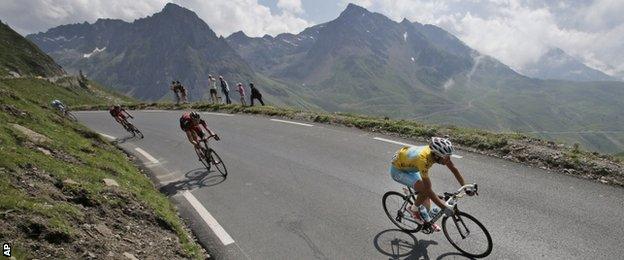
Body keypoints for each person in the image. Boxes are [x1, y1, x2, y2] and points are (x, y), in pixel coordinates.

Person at [389, 137, 468, 231]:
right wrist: (444, 207)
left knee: (426, 195)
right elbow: (427, 189)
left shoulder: (438, 153)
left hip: (410, 166)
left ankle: (428, 220)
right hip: (398, 171)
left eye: (449, 156)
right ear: (437, 156)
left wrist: (465, 187)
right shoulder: (423, 159)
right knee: (425, 190)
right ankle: (413, 209)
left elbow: (454, 169)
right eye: (446, 157)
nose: (448, 159)